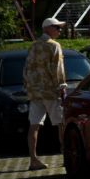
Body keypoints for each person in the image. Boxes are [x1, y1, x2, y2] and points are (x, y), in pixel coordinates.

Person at [24, 17, 67, 170]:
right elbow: (57, 70)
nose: (59, 30)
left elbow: (27, 68)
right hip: (50, 91)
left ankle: (33, 160)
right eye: (57, 27)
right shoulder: (54, 46)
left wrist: (28, 86)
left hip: (35, 92)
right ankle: (66, 157)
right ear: (48, 28)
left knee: (34, 125)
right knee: (61, 123)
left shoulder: (33, 46)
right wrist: (61, 87)